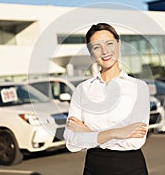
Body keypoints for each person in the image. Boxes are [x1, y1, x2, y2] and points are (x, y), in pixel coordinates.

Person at [63, 23, 150, 175]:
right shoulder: (82, 90)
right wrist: (116, 132)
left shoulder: (139, 88)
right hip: (94, 168)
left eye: (109, 43)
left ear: (119, 44)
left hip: (130, 168)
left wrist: (88, 133)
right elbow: (72, 141)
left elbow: (135, 141)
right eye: (96, 47)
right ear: (91, 53)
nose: (105, 51)